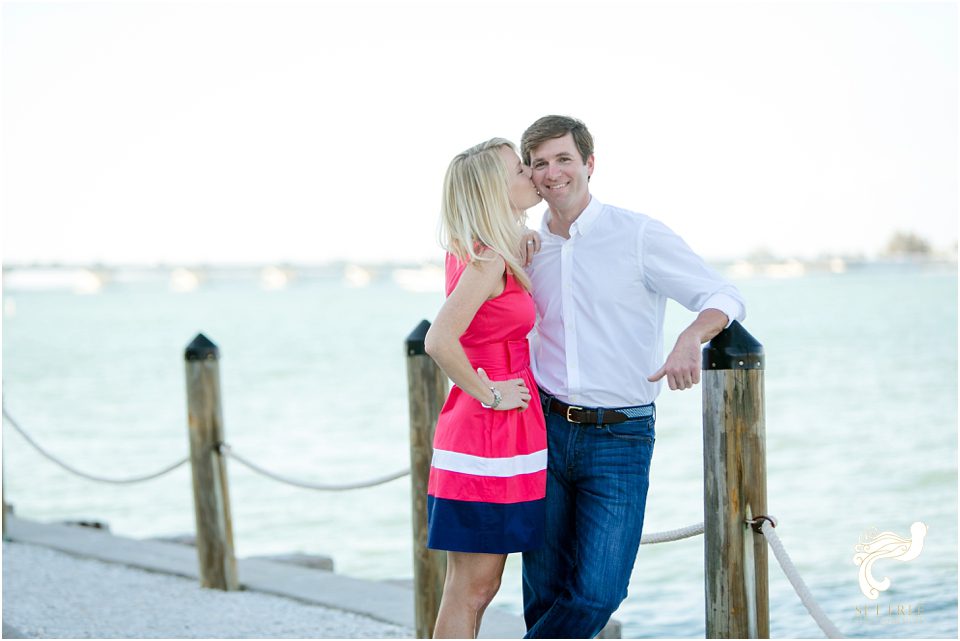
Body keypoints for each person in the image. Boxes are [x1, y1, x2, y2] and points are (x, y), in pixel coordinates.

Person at [519, 115, 747, 639]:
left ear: (590, 164)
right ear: (530, 175)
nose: (553, 173)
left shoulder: (639, 234)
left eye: (563, 159)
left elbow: (723, 295)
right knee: (544, 586)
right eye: (540, 164)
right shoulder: (526, 249)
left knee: (600, 590)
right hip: (545, 430)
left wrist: (692, 337)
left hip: (620, 436)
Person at [423, 138, 547, 638]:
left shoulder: (491, 251)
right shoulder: (486, 259)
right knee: (472, 588)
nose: (530, 174)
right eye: (520, 169)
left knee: (478, 585)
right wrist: (491, 393)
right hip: (486, 433)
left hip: (504, 431)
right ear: (497, 189)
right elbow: (439, 340)